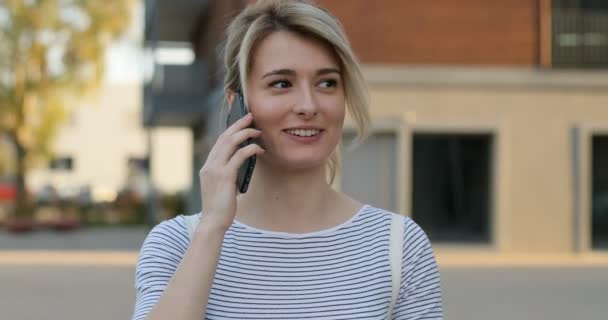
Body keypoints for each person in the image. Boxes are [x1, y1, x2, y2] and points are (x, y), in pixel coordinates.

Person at [132, 1, 444, 319]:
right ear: (237, 103)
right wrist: (212, 228)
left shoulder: (398, 246)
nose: (308, 105)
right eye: (281, 84)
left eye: (326, 83)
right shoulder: (177, 243)